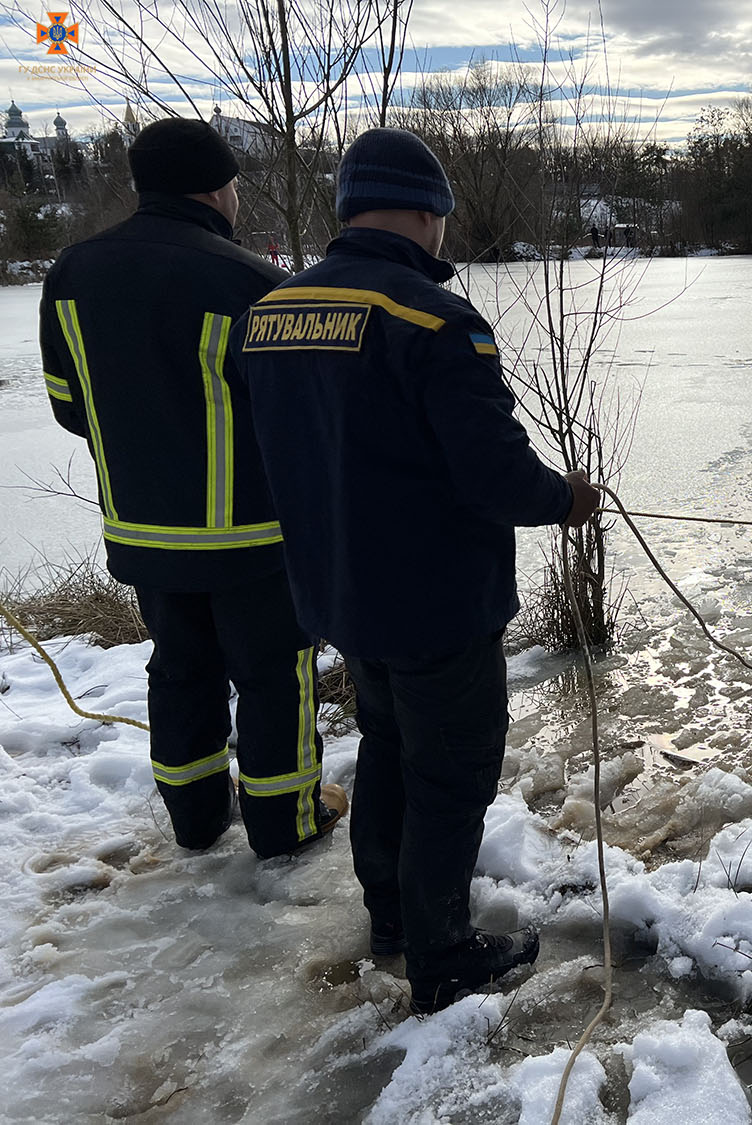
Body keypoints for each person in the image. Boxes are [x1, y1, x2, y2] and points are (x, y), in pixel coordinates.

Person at [231, 127, 602, 1014]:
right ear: (430, 211)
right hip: (436, 601)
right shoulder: (435, 319)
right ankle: (442, 953)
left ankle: (394, 917)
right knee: (453, 770)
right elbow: (492, 475)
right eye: (443, 214)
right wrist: (568, 500)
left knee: (391, 753)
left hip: (340, 594)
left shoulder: (271, 314)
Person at [38, 117, 345, 859]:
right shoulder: (251, 283)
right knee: (275, 676)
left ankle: (196, 819)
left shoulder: (72, 275)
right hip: (249, 537)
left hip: (141, 531)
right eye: (235, 184)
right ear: (215, 187)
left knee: (180, 671)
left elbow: (68, 407)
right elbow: (303, 423)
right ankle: (286, 820)